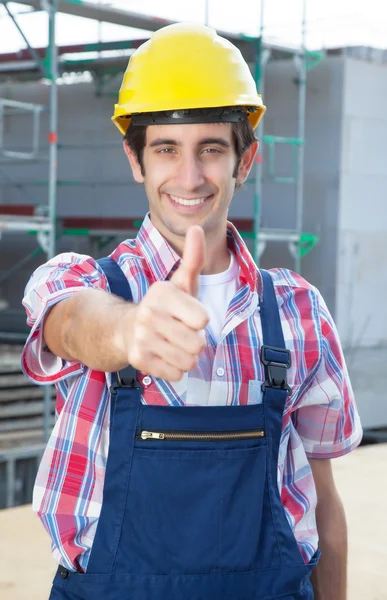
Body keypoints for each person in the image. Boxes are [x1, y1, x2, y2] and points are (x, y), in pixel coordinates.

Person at [22, 23, 362, 600]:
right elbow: (72, 322)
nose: (189, 176)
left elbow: (323, 501)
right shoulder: (82, 280)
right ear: (135, 160)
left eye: (211, 149)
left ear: (244, 160)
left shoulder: (298, 311)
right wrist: (130, 331)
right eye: (165, 149)